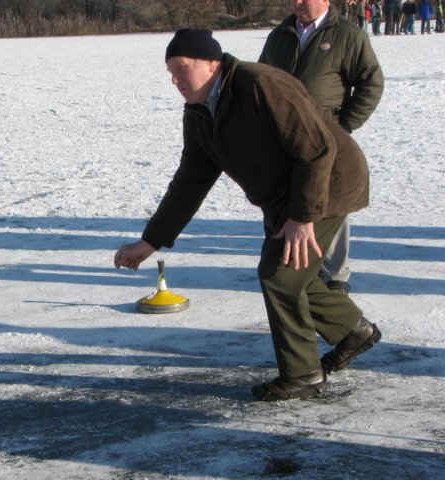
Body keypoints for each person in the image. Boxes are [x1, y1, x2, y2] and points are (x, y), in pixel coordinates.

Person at [114, 28, 382, 401]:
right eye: (170, 72)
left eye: (181, 68)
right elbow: (191, 181)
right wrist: (151, 240)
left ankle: (304, 374)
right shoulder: (198, 113)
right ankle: (353, 331)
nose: (175, 80)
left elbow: (316, 150)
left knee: (280, 275)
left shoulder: (260, 84)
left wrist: (302, 217)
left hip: (328, 183)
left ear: (212, 62)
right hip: (282, 197)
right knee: (295, 276)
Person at [258, 0, 384, 295]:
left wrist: (343, 127)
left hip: (326, 139)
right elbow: (262, 80)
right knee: (289, 199)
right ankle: (296, 267)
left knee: (329, 202)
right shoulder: (280, 34)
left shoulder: (347, 35)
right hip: (284, 137)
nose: (297, 3)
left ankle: (335, 275)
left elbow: (371, 83)